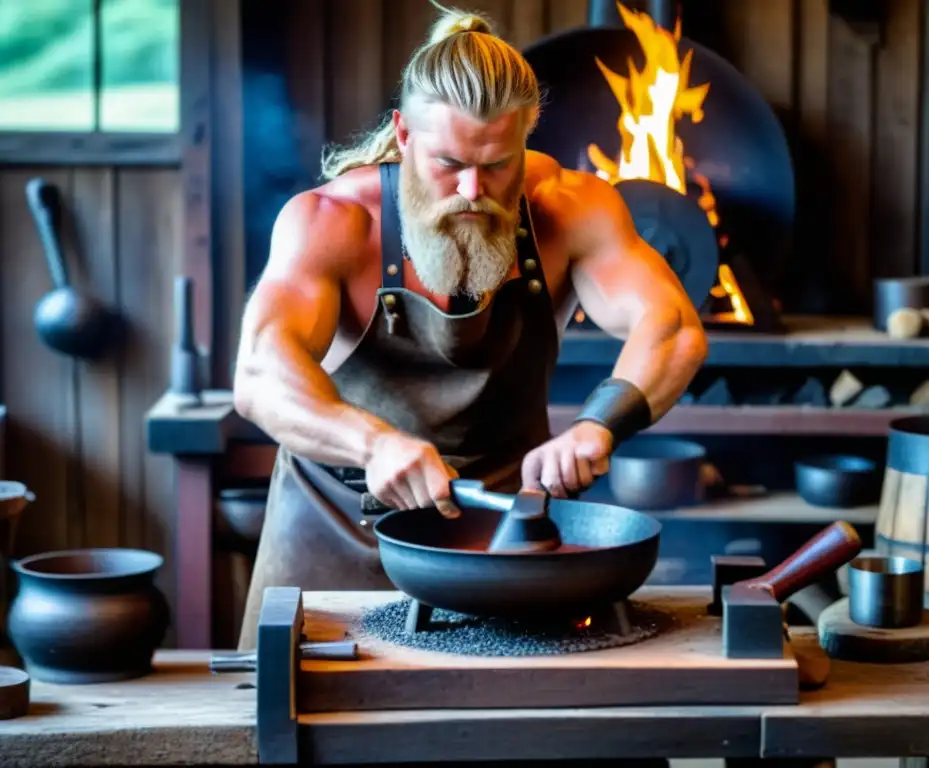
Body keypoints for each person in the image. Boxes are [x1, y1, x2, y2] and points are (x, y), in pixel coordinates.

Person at [233, 3, 708, 653]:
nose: (472, 189)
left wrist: (601, 423)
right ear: (403, 135)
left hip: (497, 542)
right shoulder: (333, 222)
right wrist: (371, 444)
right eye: (449, 163)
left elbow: (673, 326)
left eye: (497, 164)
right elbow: (261, 372)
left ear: (527, 136)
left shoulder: (568, 207)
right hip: (334, 533)